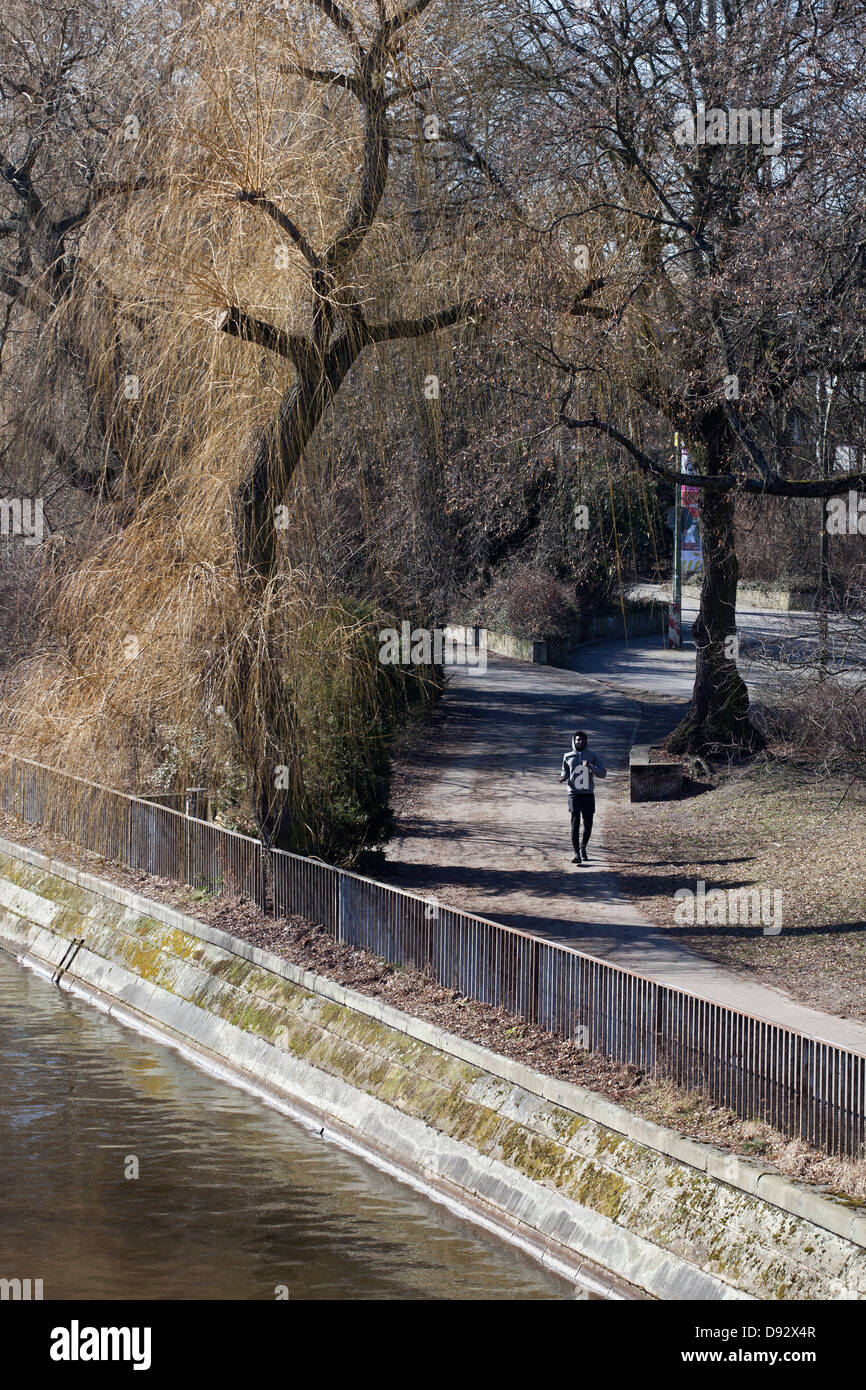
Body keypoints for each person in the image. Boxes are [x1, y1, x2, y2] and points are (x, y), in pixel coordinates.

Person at [559, 730, 606, 865]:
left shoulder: (593, 756)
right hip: (573, 794)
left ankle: (583, 847)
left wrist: (590, 766)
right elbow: (565, 771)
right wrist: (563, 777)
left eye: (582, 740)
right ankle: (576, 853)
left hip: (588, 794)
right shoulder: (567, 756)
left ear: (586, 742)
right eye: (578, 739)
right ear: (574, 741)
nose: (580, 742)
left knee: (588, 824)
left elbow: (603, 774)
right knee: (575, 823)